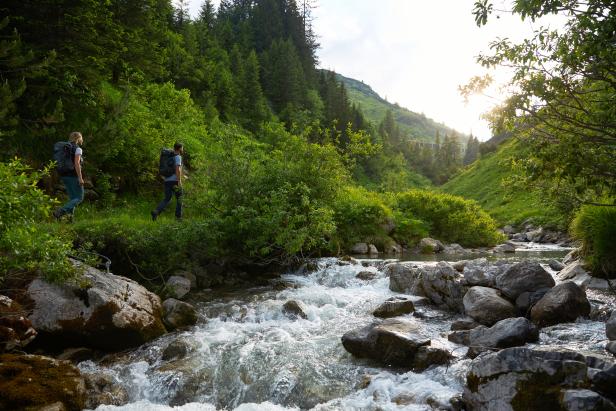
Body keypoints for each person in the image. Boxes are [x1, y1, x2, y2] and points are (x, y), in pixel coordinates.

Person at [53, 132, 85, 221]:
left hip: (64, 175)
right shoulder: (77, 149)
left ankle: (70, 220)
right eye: (81, 138)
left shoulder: (65, 147)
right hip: (73, 176)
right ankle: (60, 211)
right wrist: (80, 178)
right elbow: (77, 163)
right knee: (79, 197)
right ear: (78, 139)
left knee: (73, 199)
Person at [151, 142, 184, 221]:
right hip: (175, 181)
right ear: (180, 149)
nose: (183, 149)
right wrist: (179, 181)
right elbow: (177, 170)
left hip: (167, 180)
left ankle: (156, 211)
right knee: (180, 198)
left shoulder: (169, 156)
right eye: (182, 148)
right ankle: (178, 217)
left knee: (167, 198)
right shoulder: (178, 157)